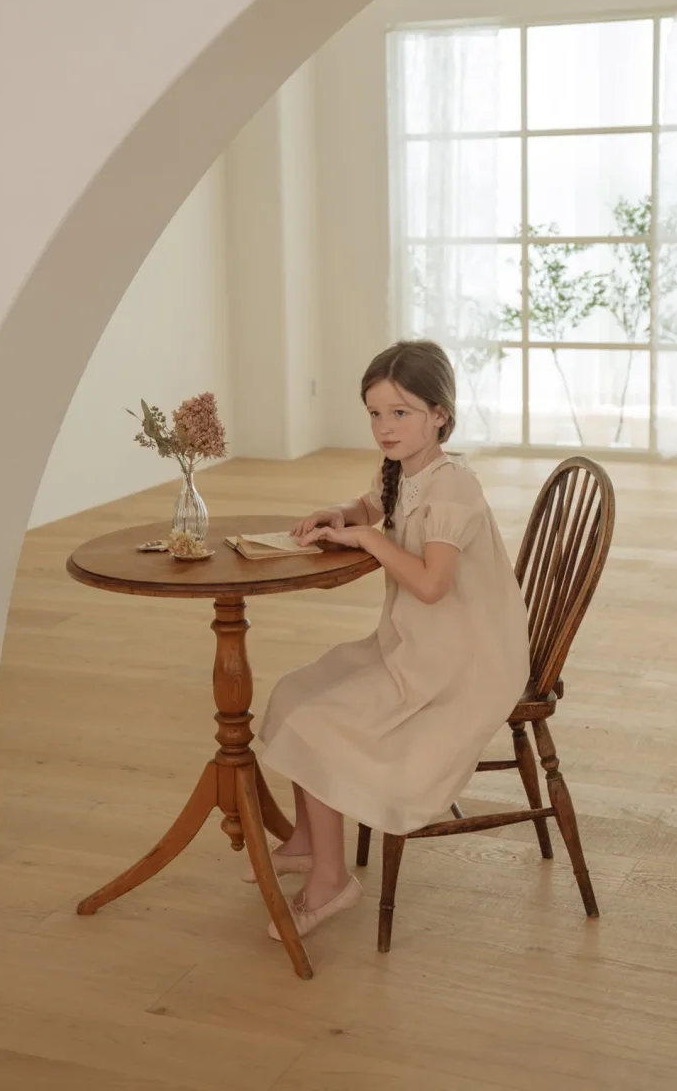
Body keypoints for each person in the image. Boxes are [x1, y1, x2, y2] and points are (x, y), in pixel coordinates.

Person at [249, 339, 531, 940]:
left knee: (318, 722)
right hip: (417, 643)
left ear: (440, 414)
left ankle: (332, 880)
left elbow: (431, 584)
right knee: (296, 693)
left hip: (464, 660)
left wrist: (371, 541)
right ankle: (309, 839)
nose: (385, 427)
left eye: (401, 412)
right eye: (375, 413)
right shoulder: (401, 470)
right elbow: (369, 505)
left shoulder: (453, 486)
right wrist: (339, 515)